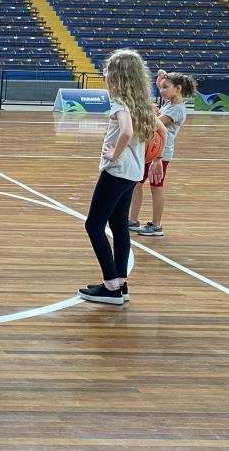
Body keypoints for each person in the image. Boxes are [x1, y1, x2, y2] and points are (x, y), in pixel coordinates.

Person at [79, 50, 168, 305]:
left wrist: (113, 155)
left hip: (117, 171)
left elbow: (126, 132)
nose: (106, 75)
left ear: (118, 76)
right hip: (133, 172)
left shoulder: (120, 102)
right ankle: (121, 285)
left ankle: (110, 285)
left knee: (93, 224)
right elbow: (162, 129)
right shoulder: (142, 102)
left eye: (108, 72)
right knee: (119, 226)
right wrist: (157, 159)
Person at [128, 70, 197, 237]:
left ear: (178, 89)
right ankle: (132, 220)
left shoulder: (177, 110)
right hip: (151, 152)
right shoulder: (170, 103)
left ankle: (156, 225)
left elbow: (155, 124)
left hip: (161, 154)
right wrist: (161, 79)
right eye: (161, 87)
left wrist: (149, 109)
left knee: (156, 187)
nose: (161, 90)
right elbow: (163, 86)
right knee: (137, 182)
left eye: (165, 88)